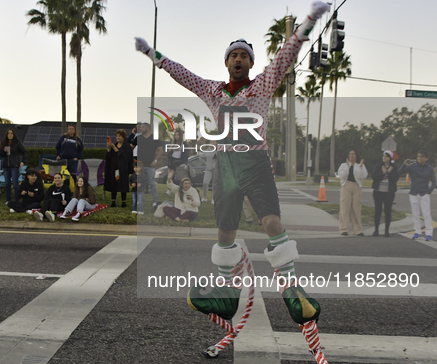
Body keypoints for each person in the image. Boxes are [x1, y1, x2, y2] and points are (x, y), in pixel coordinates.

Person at [135, 1, 330, 330]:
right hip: (226, 163)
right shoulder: (213, 91)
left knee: (270, 221)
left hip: (255, 161)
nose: (238, 59)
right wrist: (154, 54)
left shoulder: (263, 85)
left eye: (244, 55)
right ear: (226, 62)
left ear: (251, 63)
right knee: (225, 230)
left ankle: (293, 291)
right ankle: (226, 296)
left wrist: (310, 19)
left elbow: (286, 54)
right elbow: (184, 75)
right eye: (233, 55)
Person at [400, 150, 435, 241]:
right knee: (415, 214)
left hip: (424, 193)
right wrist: (404, 164)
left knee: (426, 214)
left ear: (426, 158)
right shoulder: (412, 167)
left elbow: (434, 181)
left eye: (422, 156)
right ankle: (417, 232)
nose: (419, 158)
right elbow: (400, 172)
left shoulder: (430, 168)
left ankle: (429, 233)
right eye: (418, 156)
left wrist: (429, 191)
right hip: (414, 193)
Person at [130, 122, 163, 209]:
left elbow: (160, 150)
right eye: (140, 127)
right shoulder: (138, 138)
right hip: (139, 165)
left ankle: (155, 202)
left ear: (148, 128)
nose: (141, 128)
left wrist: (155, 160)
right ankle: (137, 201)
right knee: (138, 183)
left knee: (152, 183)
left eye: (143, 127)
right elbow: (131, 147)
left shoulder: (154, 138)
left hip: (150, 165)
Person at [337, 149, 368, 236]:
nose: (351, 156)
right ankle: (344, 229)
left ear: (356, 156)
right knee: (344, 208)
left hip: (357, 187)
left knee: (356, 208)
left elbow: (363, 176)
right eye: (350, 154)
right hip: (346, 186)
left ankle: (358, 230)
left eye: (353, 154)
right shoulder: (343, 165)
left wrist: (361, 167)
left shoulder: (360, 166)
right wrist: (347, 166)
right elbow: (342, 176)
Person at [371, 150, 399, 237]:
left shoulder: (394, 167)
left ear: (390, 158)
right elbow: (374, 177)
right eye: (383, 156)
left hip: (389, 192)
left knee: (387, 211)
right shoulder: (378, 166)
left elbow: (395, 179)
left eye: (386, 156)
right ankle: (376, 230)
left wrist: (389, 172)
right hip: (378, 191)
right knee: (378, 211)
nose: (384, 158)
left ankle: (386, 231)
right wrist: (383, 173)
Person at [104, 129, 133, 207]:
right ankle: (113, 201)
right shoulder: (114, 145)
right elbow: (108, 157)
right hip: (113, 168)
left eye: (119, 136)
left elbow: (124, 157)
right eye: (117, 136)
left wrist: (114, 147)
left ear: (123, 137)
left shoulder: (127, 147)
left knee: (123, 184)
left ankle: (124, 202)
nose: (117, 138)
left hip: (123, 168)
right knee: (114, 185)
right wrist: (109, 149)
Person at [0, 127, 27, 203]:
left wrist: (23, 161)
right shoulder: (4, 143)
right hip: (6, 166)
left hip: (14, 165)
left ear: (13, 134)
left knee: (15, 183)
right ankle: (8, 199)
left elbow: (24, 152)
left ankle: (17, 199)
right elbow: (1, 154)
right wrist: (4, 151)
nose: (10, 135)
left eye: (11, 133)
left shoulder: (17, 142)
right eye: (8, 133)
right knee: (7, 183)